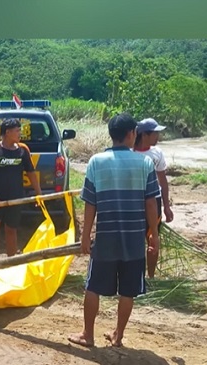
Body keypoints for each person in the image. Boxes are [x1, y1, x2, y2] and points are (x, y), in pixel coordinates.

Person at [68, 113, 160, 348]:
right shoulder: (145, 163)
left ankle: (88, 334)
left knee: (93, 286)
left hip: (106, 238)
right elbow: (151, 204)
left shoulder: (96, 162)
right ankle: (118, 335)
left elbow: (91, 203)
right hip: (134, 239)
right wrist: (154, 236)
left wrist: (85, 236)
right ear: (131, 134)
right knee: (128, 290)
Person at [0, 118, 42, 261]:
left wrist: (39, 193)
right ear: (8, 132)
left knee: (11, 230)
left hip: (15, 198)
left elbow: (31, 174)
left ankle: (11, 263)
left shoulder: (23, 150)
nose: (20, 133)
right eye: (17, 131)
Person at [135, 117, 174, 279]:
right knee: (135, 240)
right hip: (135, 201)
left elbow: (163, 181)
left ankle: (150, 277)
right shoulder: (130, 152)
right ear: (144, 135)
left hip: (154, 201)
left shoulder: (157, 153)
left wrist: (166, 205)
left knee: (153, 239)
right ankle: (136, 277)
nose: (158, 137)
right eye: (155, 133)